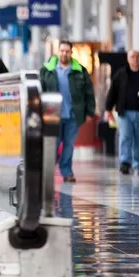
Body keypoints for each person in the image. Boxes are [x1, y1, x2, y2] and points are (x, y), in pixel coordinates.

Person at [39, 40, 96, 184]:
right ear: (58, 52)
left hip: (72, 114)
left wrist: (90, 111)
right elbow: (40, 91)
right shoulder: (47, 70)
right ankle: (48, 171)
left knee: (69, 145)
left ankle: (67, 172)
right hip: (53, 115)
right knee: (53, 144)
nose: (64, 53)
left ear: (71, 53)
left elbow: (88, 92)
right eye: (62, 51)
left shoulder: (80, 71)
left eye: (67, 51)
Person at [105, 50, 139, 175]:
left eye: (138, 57)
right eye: (133, 57)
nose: (135, 59)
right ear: (128, 59)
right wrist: (108, 109)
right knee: (125, 137)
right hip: (124, 113)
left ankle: (138, 164)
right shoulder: (121, 74)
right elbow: (113, 92)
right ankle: (125, 162)